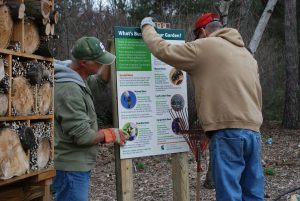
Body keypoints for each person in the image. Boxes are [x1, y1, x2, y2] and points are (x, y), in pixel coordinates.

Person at [140, 13, 264, 201]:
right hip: (253, 132)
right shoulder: (246, 54)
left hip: (228, 132)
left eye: (196, 36)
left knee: (230, 194)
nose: (195, 41)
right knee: (253, 193)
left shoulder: (206, 46)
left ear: (204, 32)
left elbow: (163, 50)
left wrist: (147, 27)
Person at [53, 36, 126, 201]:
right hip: (70, 168)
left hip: (75, 166)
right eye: (98, 61)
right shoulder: (69, 89)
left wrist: (109, 56)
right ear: (84, 62)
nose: (101, 64)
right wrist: (110, 133)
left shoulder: (75, 76)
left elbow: (99, 82)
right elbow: (83, 136)